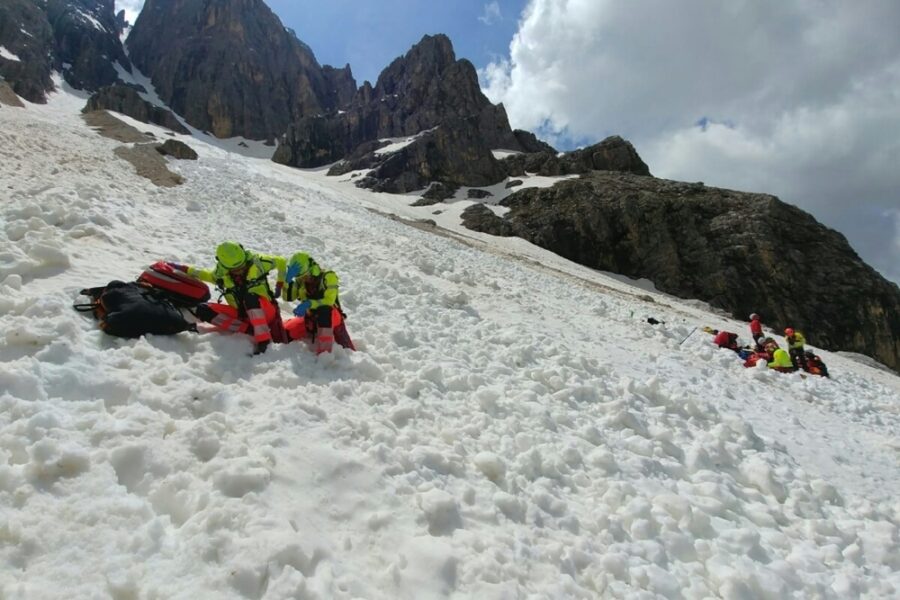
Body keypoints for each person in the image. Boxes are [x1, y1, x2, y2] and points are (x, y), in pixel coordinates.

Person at [168, 241, 285, 354]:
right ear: (225, 267)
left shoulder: (260, 262)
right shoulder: (221, 274)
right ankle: (248, 329)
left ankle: (263, 340)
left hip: (266, 312)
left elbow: (282, 262)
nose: (239, 270)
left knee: (250, 297)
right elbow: (205, 275)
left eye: (242, 266)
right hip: (242, 315)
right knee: (203, 309)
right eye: (235, 269)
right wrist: (184, 269)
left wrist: (279, 285)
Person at [281, 252, 354, 354]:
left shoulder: (328, 276)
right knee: (285, 333)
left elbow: (329, 301)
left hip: (331, 316)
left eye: (305, 275)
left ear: (312, 269)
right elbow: (288, 298)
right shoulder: (300, 281)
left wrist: (309, 304)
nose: (303, 279)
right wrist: (287, 281)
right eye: (301, 277)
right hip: (310, 318)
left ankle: (325, 354)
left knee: (324, 311)